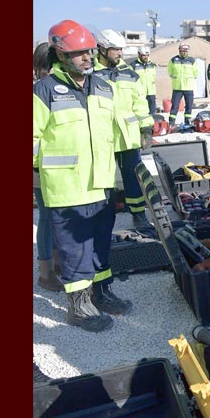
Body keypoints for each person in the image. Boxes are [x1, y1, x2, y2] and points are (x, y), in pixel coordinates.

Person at [33, 20, 133, 332]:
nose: (87, 57)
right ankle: (78, 308)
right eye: (79, 53)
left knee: (101, 245)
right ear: (60, 55)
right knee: (75, 251)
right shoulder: (44, 91)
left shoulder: (103, 87)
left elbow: (116, 134)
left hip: (102, 185)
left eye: (89, 51)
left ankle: (101, 294)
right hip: (66, 189)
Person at [95, 29, 154, 230]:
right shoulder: (89, 75)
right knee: (104, 181)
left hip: (128, 138)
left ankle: (138, 214)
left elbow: (140, 104)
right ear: (102, 49)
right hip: (102, 138)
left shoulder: (129, 74)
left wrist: (146, 129)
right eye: (115, 49)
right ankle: (104, 219)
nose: (119, 53)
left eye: (121, 49)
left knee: (134, 178)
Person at [33, 42, 62, 292]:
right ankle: (46, 272)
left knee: (57, 216)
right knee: (47, 216)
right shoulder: (38, 91)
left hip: (58, 167)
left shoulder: (56, 89)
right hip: (39, 168)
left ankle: (56, 261)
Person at [167, 43, 198, 126]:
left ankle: (187, 122)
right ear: (179, 51)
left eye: (186, 51)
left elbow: (195, 72)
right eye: (183, 51)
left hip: (188, 87)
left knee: (189, 106)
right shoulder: (174, 60)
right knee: (175, 106)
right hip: (177, 87)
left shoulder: (192, 60)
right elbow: (170, 71)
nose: (184, 52)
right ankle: (171, 122)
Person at [131, 45, 158, 115]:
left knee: (152, 111)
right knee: (141, 110)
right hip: (140, 93)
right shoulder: (133, 65)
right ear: (139, 55)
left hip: (151, 92)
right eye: (143, 55)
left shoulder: (152, 65)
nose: (146, 57)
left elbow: (153, 77)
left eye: (147, 55)